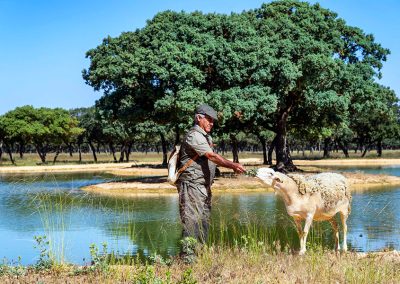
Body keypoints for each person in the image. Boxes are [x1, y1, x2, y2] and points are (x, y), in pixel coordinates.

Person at [176, 104, 246, 244]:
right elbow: (211, 156)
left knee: (203, 223)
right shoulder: (195, 135)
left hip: (203, 186)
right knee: (191, 222)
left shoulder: (206, 137)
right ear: (198, 118)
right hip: (192, 186)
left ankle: (200, 256)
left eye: (213, 120)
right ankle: (188, 259)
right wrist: (233, 165)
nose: (212, 123)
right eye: (209, 119)